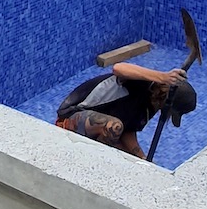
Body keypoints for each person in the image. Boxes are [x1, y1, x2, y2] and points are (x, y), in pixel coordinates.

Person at [55, 63, 197, 160]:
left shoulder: (152, 105)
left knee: (128, 157)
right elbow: (118, 68)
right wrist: (163, 77)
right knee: (113, 127)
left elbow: (129, 130)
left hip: (94, 126)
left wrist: (142, 159)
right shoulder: (144, 82)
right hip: (70, 118)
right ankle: (95, 162)